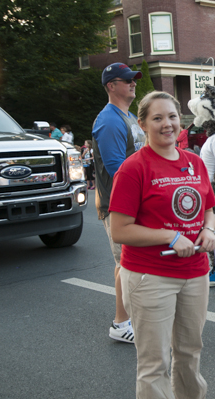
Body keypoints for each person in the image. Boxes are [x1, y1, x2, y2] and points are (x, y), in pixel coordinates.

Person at [109, 91, 215, 398]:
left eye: (171, 116)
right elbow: (119, 230)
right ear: (142, 124)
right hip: (150, 276)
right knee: (155, 362)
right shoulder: (133, 168)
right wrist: (168, 236)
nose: (166, 124)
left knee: (189, 353)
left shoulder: (195, 163)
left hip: (195, 272)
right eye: (157, 118)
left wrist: (209, 230)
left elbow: (208, 208)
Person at [92, 62, 144, 343]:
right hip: (119, 204)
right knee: (127, 263)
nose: (133, 83)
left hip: (130, 202)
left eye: (133, 79)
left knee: (127, 261)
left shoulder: (129, 116)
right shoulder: (109, 120)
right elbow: (116, 167)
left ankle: (130, 317)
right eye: (127, 80)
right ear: (111, 86)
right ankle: (121, 324)